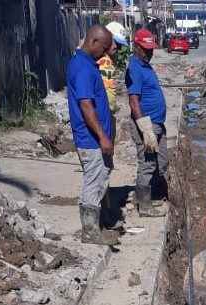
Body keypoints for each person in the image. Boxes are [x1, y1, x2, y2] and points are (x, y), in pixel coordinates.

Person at [66, 25, 120, 245]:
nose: (106, 52)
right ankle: (89, 232)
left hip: (95, 138)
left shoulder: (87, 63)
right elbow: (86, 106)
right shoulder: (83, 68)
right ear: (94, 42)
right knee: (93, 182)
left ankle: (97, 226)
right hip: (91, 140)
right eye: (105, 48)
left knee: (100, 179)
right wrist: (103, 137)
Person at [126, 28, 168, 217]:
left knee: (162, 160)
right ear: (136, 46)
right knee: (148, 163)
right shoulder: (134, 67)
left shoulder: (144, 64)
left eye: (151, 49)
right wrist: (145, 129)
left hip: (158, 123)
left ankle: (155, 195)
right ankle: (144, 206)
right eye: (146, 49)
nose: (150, 53)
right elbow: (134, 101)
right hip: (147, 125)